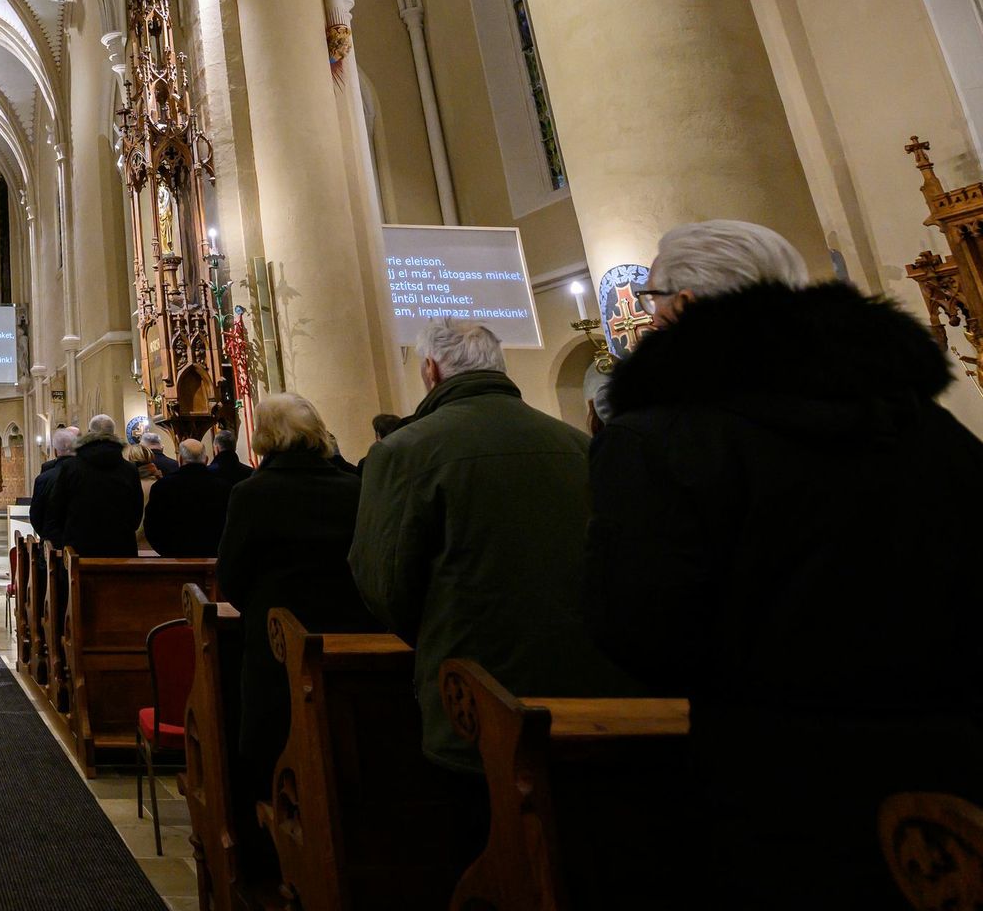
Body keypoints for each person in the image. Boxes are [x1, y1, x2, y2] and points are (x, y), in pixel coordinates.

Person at [585, 221, 983, 909]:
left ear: (682, 305)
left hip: (775, 774)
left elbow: (642, 629)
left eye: (652, 300)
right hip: (952, 761)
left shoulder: (661, 441)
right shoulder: (923, 421)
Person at [350, 317, 637, 777]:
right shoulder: (577, 444)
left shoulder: (404, 452)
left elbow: (384, 584)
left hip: (477, 698)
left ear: (431, 370)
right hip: (593, 696)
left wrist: (439, 636)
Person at [215, 394, 377, 784]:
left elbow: (232, 575)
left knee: (277, 744)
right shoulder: (356, 490)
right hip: (351, 639)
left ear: (264, 437)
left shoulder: (252, 494)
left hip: (277, 645)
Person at [41, 414, 144, 558]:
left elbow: (55, 512)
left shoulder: (70, 468)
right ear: (114, 435)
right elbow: (136, 516)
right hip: (122, 553)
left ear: (89, 434)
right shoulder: (129, 470)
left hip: (79, 553)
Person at [143, 437, 230, 558]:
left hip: (174, 557)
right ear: (206, 460)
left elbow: (151, 526)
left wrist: (167, 552)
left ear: (180, 459)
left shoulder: (162, 487)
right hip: (213, 556)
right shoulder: (224, 487)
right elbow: (230, 526)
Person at [27, 425, 77, 543]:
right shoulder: (85, 475)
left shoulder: (43, 479)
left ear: (55, 451)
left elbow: (35, 515)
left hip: (52, 544)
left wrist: (47, 536)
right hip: (80, 546)